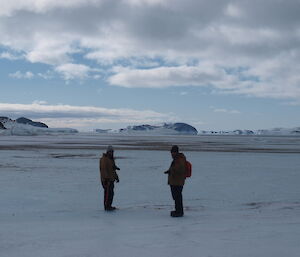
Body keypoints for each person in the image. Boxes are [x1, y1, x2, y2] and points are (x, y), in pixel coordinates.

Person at [164, 145, 186, 217]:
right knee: (176, 197)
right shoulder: (176, 159)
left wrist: (172, 170)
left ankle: (179, 212)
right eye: (171, 153)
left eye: (173, 153)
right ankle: (178, 211)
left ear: (176, 152)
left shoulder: (180, 159)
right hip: (175, 181)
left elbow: (180, 169)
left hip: (178, 182)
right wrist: (169, 171)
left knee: (177, 197)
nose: (172, 154)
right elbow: (175, 168)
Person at [99, 145, 120, 211]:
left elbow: (113, 170)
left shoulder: (111, 159)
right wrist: (106, 179)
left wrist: (116, 177)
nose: (112, 153)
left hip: (111, 179)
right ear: (107, 152)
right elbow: (103, 169)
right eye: (110, 152)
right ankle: (106, 207)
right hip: (106, 180)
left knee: (111, 194)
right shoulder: (104, 159)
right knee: (107, 194)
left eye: (112, 152)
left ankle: (109, 206)